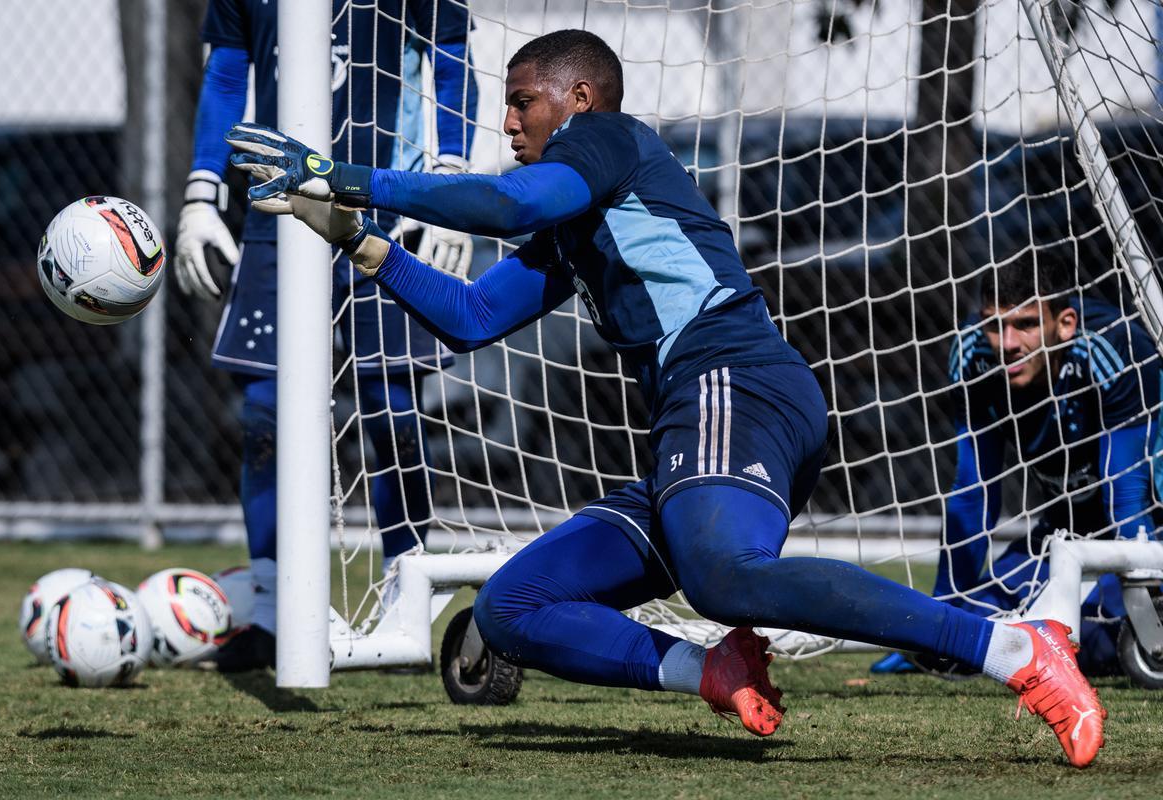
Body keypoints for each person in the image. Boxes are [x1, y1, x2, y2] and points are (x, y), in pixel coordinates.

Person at [226, 29, 1107, 767]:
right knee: (511, 610)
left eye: (520, 101)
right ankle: (713, 673)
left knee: (724, 576)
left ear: (577, 99)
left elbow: (499, 202)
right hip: (702, 421)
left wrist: (352, 176)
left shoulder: (608, 140)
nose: (507, 122)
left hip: (735, 380)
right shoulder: (577, 227)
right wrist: (358, 241)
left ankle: (1011, 647)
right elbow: (467, 315)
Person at [174, 0, 476, 671]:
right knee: (263, 415)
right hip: (274, 207)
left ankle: (408, 593)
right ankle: (272, 606)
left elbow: (451, 57)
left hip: (386, 207)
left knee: (391, 404)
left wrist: (451, 179)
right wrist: (200, 194)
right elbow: (226, 76)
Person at [872, 252, 1161, 677]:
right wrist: (940, 624)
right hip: (1065, 531)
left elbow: (1128, 492)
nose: (1008, 344)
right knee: (980, 627)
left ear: (1064, 323)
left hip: (1147, 528)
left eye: (1025, 324)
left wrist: (1143, 597)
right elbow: (974, 493)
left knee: (1105, 634)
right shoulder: (974, 356)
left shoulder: (1113, 348)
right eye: (994, 325)